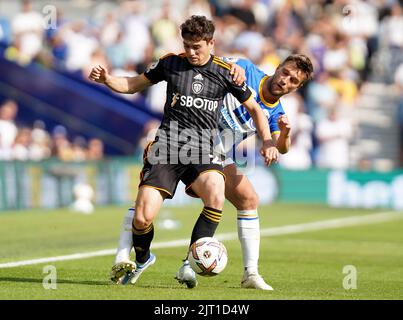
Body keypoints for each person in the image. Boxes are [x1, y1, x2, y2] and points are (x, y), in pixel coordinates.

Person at [88, 15, 278, 287]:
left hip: (202, 151)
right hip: (166, 148)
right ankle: (142, 257)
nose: (191, 52)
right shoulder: (170, 63)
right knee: (142, 218)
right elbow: (133, 85)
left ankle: (189, 262)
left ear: (211, 43)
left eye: (197, 47)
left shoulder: (226, 72)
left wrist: (268, 141)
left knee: (215, 190)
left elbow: (255, 109)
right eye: (187, 45)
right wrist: (108, 79)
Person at [110, 53, 314, 290]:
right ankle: (124, 256)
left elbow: (282, 147)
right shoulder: (246, 69)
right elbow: (208, 59)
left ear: (297, 88)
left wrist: (285, 134)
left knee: (248, 200)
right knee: (146, 203)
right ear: (278, 68)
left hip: (215, 154)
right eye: (285, 73)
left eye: (292, 81)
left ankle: (248, 273)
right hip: (184, 137)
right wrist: (231, 66)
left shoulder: (277, 114)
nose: (285, 81)